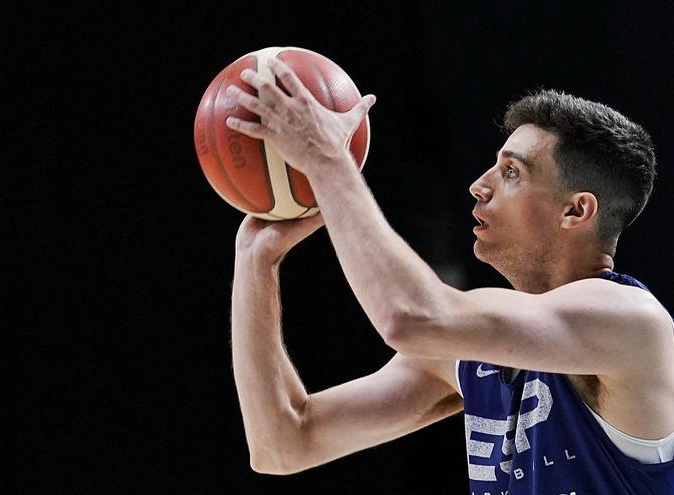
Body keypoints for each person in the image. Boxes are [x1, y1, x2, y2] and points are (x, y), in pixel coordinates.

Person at [225, 57, 674, 494]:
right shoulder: (473, 353)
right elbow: (283, 443)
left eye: (512, 172)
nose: (479, 184)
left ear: (575, 211)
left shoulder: (633, 325)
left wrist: (327, 160)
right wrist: (255, 259)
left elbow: (410, 319)